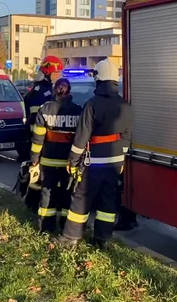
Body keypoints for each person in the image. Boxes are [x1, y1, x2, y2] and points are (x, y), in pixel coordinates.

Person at [59, 59, 134, 248]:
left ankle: (70, 239)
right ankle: (102, 239)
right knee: (108, 202)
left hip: (93, 162)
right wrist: (122, 158)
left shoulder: (92, 105)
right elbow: (127, 135)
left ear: (98, 79)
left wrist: (73, 160)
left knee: (81, 199)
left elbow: (81, 137)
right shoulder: (125, 105)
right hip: (116, 162)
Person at [29, 78, 83, 233]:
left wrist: (34, 160)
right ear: (70, 91)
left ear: (54, 90)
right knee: (67, 193)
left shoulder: (44, 109)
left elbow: (38, 139)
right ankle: (65, 226)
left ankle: (46, 227)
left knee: (47, 192)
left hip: (48, 162)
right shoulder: (78, 111)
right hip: (69, 163)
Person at [17, 56, 64, 211]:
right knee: (39, 174)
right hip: (40, 139)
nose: (59, 76)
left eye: (59, 73)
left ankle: (39, 201)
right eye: (56, 73)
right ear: (47, 72)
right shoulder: (40, 92)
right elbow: (38, 119)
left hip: (48, 140)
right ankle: (32, 203)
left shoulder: (49, 89)